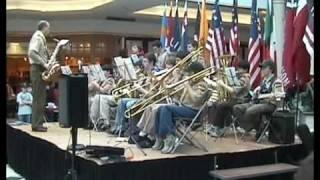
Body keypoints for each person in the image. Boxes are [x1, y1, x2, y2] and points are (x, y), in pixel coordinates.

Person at [153, 62, 210, 153]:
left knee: (166, 109)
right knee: (159, 109)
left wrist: (187, 86)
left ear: (194, 73)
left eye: (189, 73)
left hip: (193, 111)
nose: (187, 75)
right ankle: (159, 137)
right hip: (183, 108)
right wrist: (165, 85)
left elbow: (196, 99)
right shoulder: (191, 83)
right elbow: (176, 94)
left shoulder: (202, 85)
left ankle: (169, 137)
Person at [109, 52, 160, 135]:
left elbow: (152, 95)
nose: (143, 64)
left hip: (149, 100)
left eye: (145, 61)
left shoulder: (155, 74)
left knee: (130, 104)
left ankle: (133, 130)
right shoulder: (144, 73)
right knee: (122, 101)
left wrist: (140, 88)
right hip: (141, 98)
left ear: (151, 62)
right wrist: (135, 83)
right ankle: (119, 127)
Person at [233, 60, 279, 139]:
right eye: (261, 68)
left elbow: (279, 95)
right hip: (257, 102)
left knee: (250, 110)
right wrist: (256, 92)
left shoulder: (276, 81)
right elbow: (257, 94)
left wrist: (267, 96)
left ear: (270, 69)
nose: (262, 70)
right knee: (237, 108)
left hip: (270, 104)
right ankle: (252, 126)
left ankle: (257, 128)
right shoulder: (263, 81)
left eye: (264, 68)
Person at [207, 61, 251, 137]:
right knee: (216, 103)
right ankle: (214, 125)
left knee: (221, 105)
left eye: (240, 68)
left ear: (245, 70)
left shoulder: (244, 78)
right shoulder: (238, 77)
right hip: (234, 100)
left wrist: (222, 84)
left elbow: (234, 91)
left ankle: (218, 128)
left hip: (240, 101)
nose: (238, 70)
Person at [28, 20, 51, 132]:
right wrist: (44, 63)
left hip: (39, 69)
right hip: (37, 69)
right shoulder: (38, 37)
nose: (49, 31)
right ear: (44, 28)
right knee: (38, 98)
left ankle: (38, 123)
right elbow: (32, 52)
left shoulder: (40, 38)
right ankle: (36, 124)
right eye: (48, 28)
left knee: (41, 97)